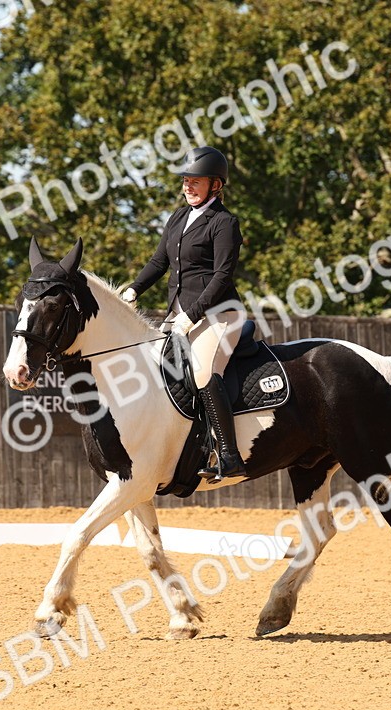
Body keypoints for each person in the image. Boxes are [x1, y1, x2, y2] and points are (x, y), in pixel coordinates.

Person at [121, 146, 247, 482]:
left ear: (215, 185)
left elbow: (222, 277)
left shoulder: (224, 223)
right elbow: (158, 262)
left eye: (195, 181)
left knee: (204, 373)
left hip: (220, 314)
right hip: (179, 317)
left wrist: (191, 315)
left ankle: (230, 456)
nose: (187, 186)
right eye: (185, 180)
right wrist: (134, 289)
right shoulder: (178, 217)